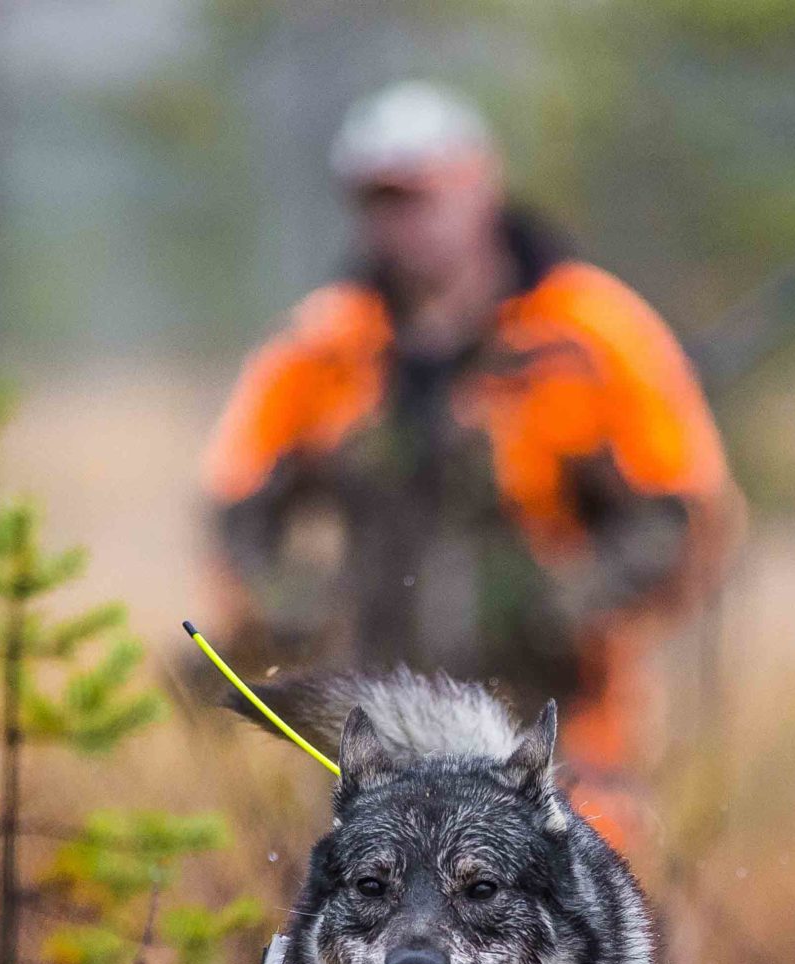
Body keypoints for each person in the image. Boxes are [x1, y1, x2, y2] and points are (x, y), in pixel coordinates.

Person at [200, 81, 738, 843]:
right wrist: (290, 604)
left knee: (584, 944)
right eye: (378, 199)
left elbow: (683, 510)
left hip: (558, 740)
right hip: (374, 745)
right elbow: (235, 499)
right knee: (353, 945)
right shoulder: (323, 345)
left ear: (481, 181)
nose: (400, 220)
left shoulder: (587, 333)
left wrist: (575, 597)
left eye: (419, 194)